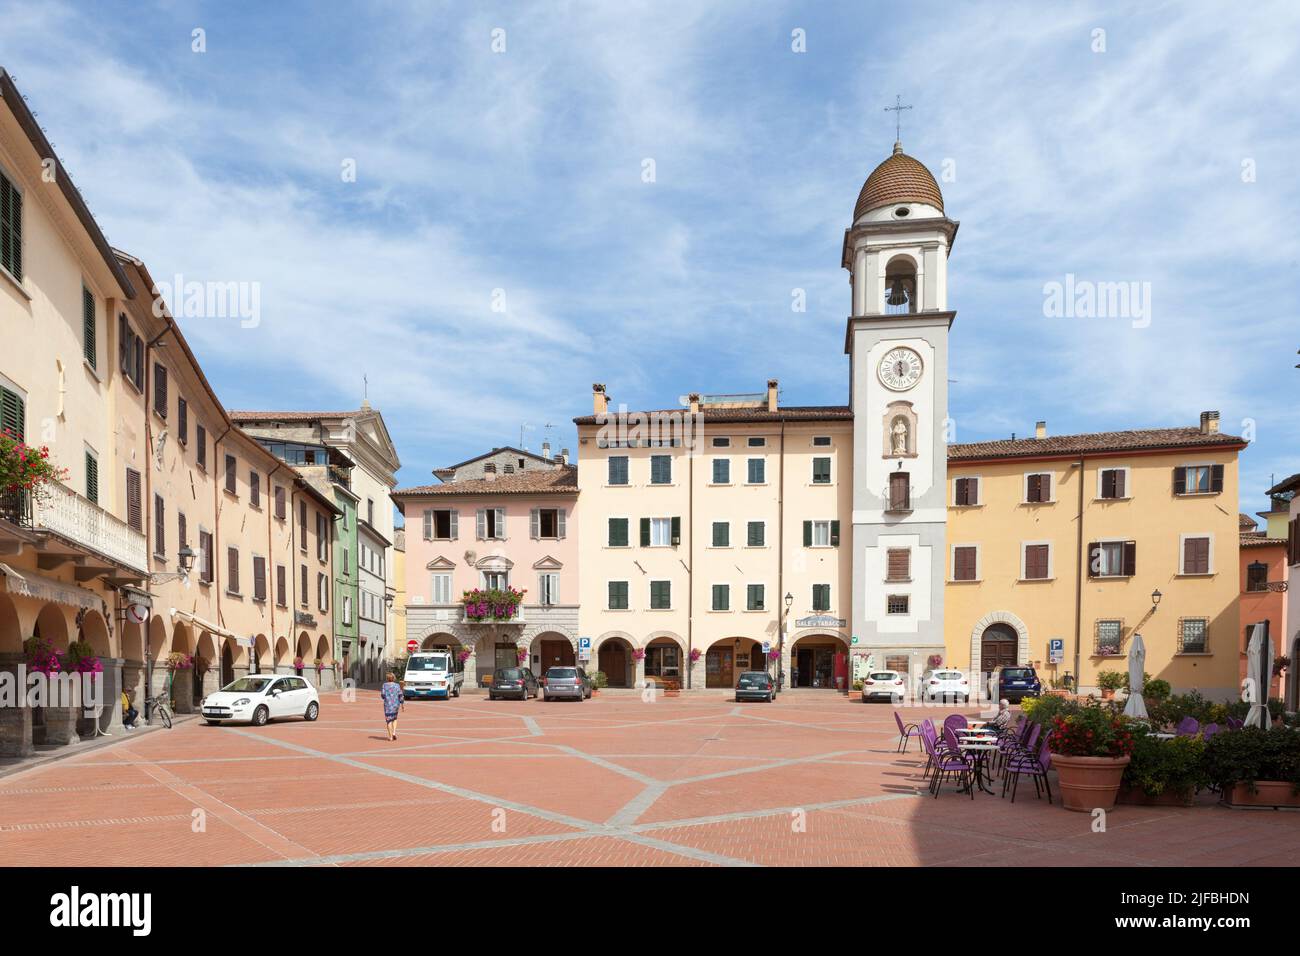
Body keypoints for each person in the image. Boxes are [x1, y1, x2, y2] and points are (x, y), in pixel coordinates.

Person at [380, 672, 403, 740]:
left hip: (387, 705)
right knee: (395, 719)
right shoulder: (397, 685)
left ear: (387, 678)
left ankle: (390, 737)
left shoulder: (384, 685)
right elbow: (400, 695)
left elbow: (382, 695)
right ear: (394, 678)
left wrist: (386, 697)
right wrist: (402, 704)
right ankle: (394, 733)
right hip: (396, 705)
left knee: (389, 720)